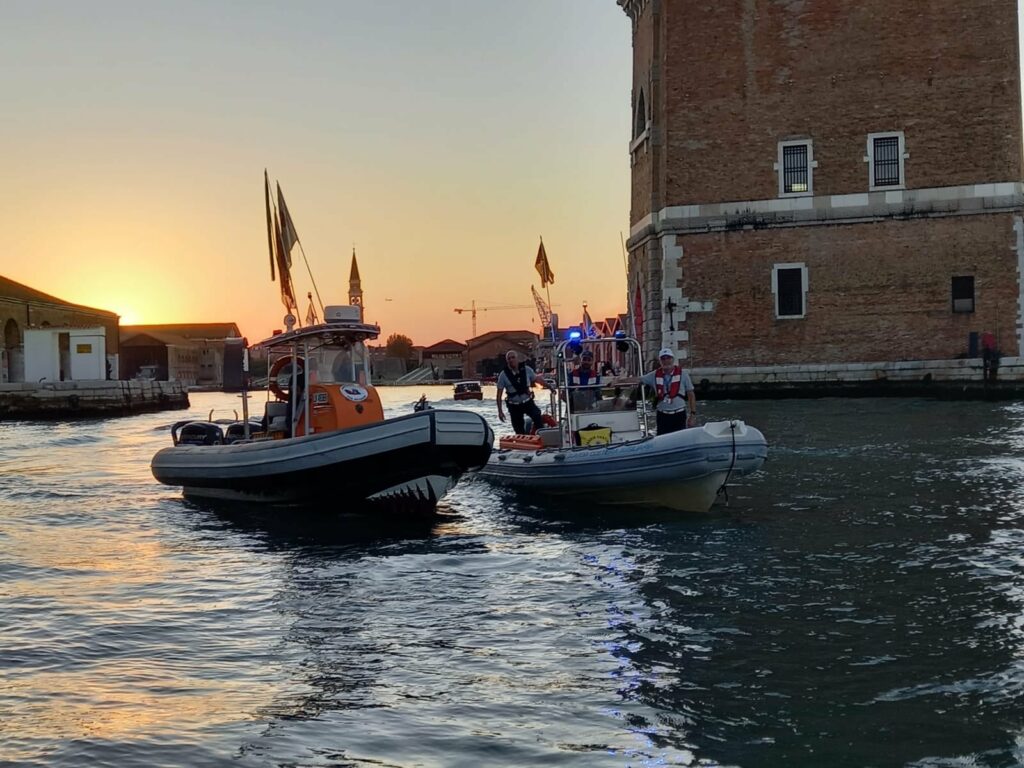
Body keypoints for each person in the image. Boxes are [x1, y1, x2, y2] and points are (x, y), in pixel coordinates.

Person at [638, 348, 697, 435]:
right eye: (663, 358)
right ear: (660, 361)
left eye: (668, 358)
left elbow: (691, 395)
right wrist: (620, 380)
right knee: (662, 438)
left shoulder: (683, 374)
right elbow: (638, 379)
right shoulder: (654, 375)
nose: (666, 361)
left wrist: (692, 415)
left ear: (673, 359)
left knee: (680, 437)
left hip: (679, 414)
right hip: (662, 415)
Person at [496, 349, 551, 434]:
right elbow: (499, 395)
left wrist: (550, 387)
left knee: (537, 415)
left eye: (513, 357)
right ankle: (522, 437)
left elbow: (538, 379)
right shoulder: (503, 375)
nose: (511, 360)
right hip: (514, 406)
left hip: (527, 402)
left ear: (517, 359)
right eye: (509, 359)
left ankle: (541, 435)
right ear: (507, 361)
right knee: (518, 428)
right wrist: (500, 411)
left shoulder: (527, 370)